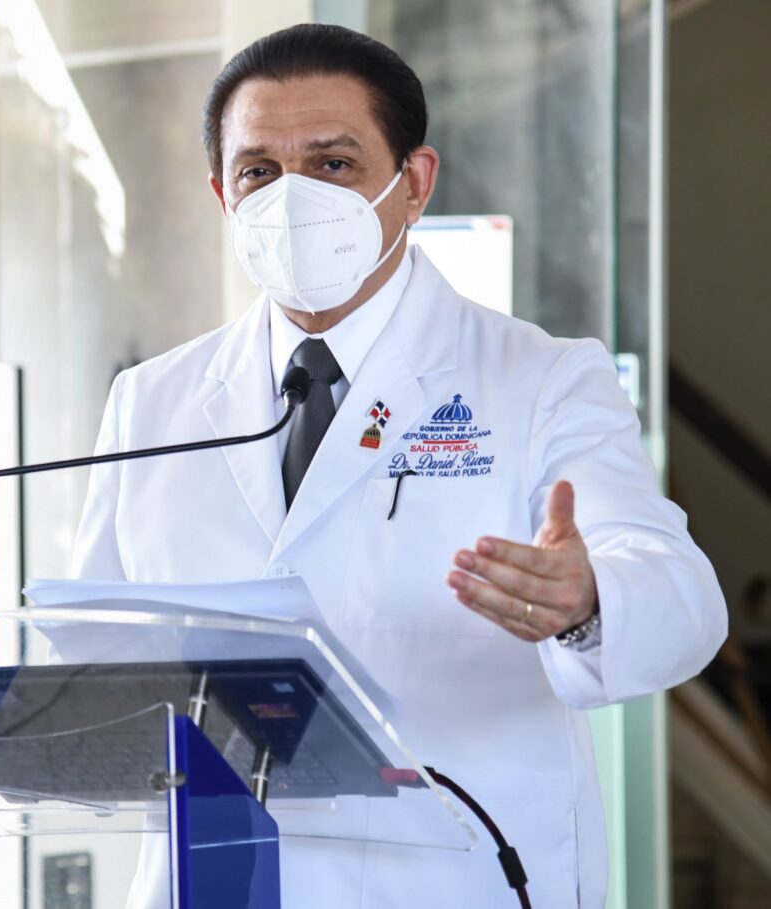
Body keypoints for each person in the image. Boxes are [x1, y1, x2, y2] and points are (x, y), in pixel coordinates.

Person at [72, 23, 727, 908]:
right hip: (220, 878)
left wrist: (587, 600)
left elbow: (685, 602)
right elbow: (97, 654)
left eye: (334, 163)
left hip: (455, 878)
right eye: (259, 170)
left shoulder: (541, 379)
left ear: (413, 182)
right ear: (223, 194)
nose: (293, 198)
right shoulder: (151, 400)